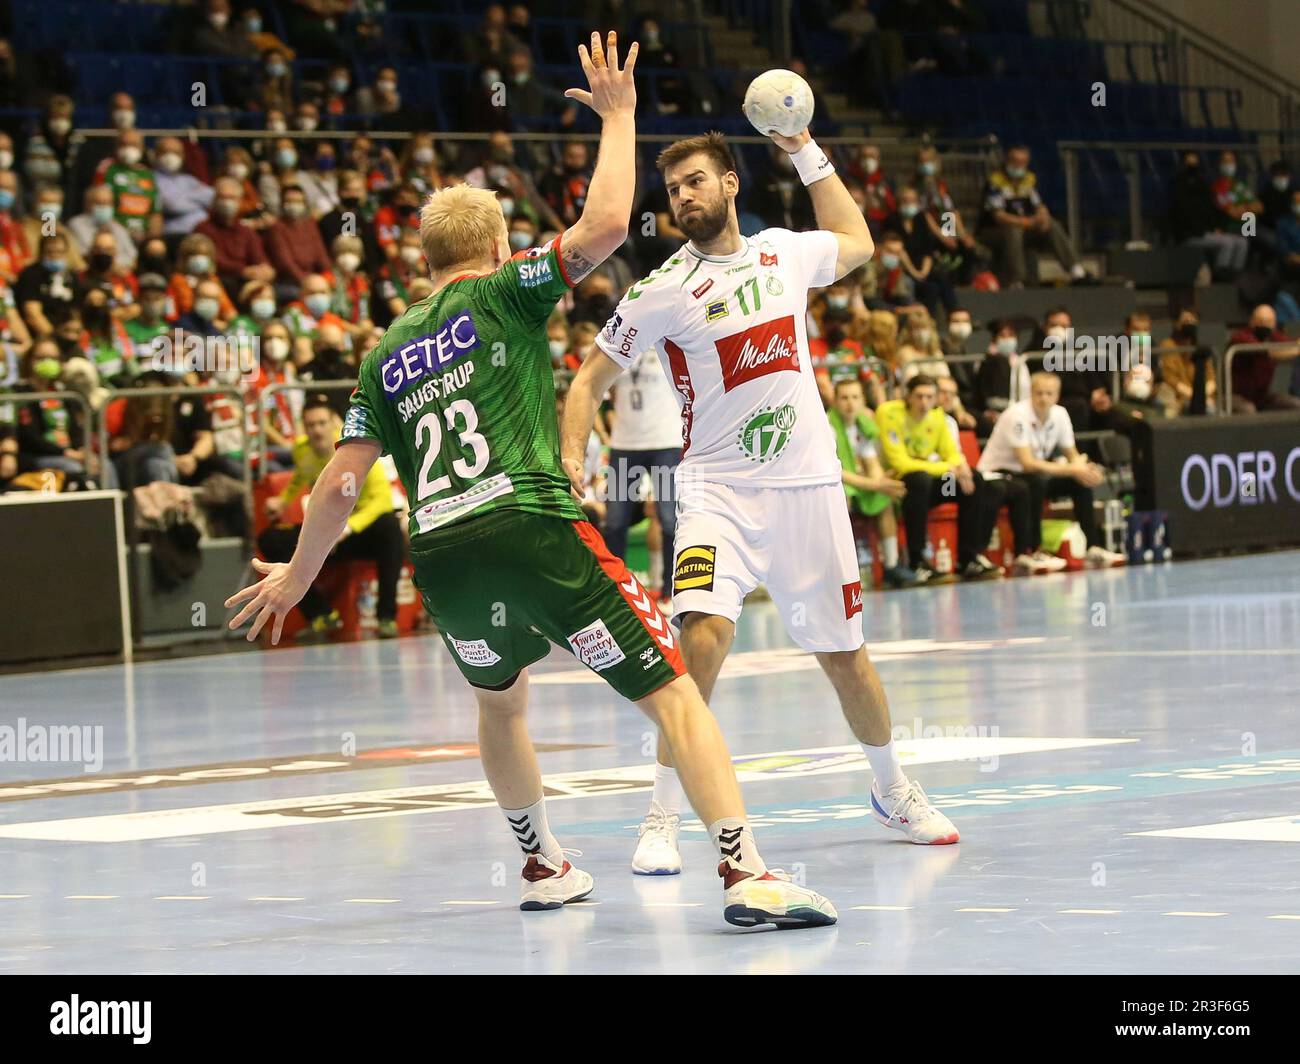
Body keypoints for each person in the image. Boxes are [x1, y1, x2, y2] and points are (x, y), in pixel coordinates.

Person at [227, 32, 835, 930]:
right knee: (672, 687)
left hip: (444, 555)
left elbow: (339, 489)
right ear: (498, 243)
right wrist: (620, 118)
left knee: (500, 703)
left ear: (425, 258)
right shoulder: (505, 292)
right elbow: (604, 228)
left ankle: (542, 862)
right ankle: (744, 873)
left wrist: (299, 574)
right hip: (532, 523)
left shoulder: (384, 353)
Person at [562, 125, 961, 881]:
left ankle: (891, 789)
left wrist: (805, 147)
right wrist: (570, 452)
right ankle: (663, 815)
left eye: (696, 183)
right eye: (673, 189)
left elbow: (858, 240)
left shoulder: (782, 252)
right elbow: (587, 381)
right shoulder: (659, 291)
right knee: (701, 640)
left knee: (847, 658)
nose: (682, 198)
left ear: (730, 184)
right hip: (717, 491)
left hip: (808, 487)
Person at [257, 394, 405, 638]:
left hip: (357, 534)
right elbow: (300, 477)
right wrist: (282, 501)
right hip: (326, 535)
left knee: (389, 527)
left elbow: (382, 501)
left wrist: (346, 529)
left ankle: (386, 617)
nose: (316, 430)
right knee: (271, 538)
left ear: (334, 424)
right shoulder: (301, 450)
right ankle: (321, 615)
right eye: (311, 425)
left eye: (322, 423)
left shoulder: (356, 449)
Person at [976, 372, 1126, 571]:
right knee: (1037, 481)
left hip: (1029, 474)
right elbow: (1028, 463)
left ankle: (1093, 546)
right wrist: (1072, 468)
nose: (1043, 398)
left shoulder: (1060, 414)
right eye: (1039, 393)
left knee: (1078, 481)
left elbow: (1072, 454)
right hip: (999, 473)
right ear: (1031, 393)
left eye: (1049, 393)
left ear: (1057, 396)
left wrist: (1084, 469)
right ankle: (1032, 550)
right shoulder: (1016, 416)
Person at [876, 373, 1001, 582]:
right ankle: (917, 561)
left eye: (929, 397)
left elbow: (951, 452)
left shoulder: (938, 417)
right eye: (919, 396)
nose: (924, 402)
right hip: (898, 486)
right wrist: (949, 467)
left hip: (930, 490)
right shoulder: (888, 413)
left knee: (973, 481)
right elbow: (901, 464)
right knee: (919, 479)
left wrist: (960, 469)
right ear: (908, 396)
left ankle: (968, 558)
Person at [601, 345, 682, 607]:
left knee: (669, 519)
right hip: (624, 443)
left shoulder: (667, 341)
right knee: (614, 522)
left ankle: (671, 592)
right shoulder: (619, 342)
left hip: (666, 441)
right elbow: (606, 391)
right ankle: (618, 597)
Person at [828, 377, 914, 587]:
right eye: (844, 398)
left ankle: (891, 566)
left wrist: (881, 482)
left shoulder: (863, 424)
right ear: (835, 401)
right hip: (832, 485)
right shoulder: (827, 427)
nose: (850, 403)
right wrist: (876, 484)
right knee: (842, 501)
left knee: (884, 498)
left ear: (863, 400)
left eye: (855, 397)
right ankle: (837, 571)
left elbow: (871, 461)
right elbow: (834, 472)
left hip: (857, 484)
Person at [979, 146, 1090, 287]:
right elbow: (997, 216)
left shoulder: (1030, 179)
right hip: (993, 231)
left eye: (1023, 162)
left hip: (1023, 228)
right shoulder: (995, 181)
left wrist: (1042, 218)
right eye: (1015, 162)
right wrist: (951, 235)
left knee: (1051, 224)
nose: (1019, 166)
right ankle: (1017, 280)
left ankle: (1076, 271)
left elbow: (1039, 205)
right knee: (1013, 230)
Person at [1228, 303, 1300, 413]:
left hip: (1262, 397)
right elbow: (1267, 352)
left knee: (1296, 404)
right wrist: (1297, 350)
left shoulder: (1273, 336)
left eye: (1268, 322)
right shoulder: (1240, 338)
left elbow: (1289, 344)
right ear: (1252, 321)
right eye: (1260, 320)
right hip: (1236, 395)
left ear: (1274, 324)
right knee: (1248, 409)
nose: (1263, 324)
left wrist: (1296, 345)